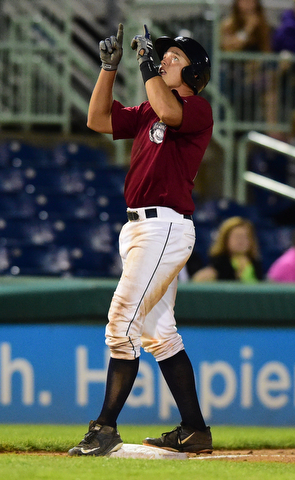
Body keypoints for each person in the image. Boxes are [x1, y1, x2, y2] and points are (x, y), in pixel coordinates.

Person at [68, 24, 213, 457]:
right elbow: (97, 118)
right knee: (159, 333)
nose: (166, 58)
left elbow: (171, 113)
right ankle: (194, 430)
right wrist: (107, 68)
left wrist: (147, 65)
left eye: (176, 58)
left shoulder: (197, 107)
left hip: (165, 226)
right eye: (164, 55)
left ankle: (105, 427)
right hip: (139, 228)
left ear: (194, 73)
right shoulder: (152, 109)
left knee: (121, 326)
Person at [219, 0, 276, 124]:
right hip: (233, 74)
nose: (248, 4)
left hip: (256, 72)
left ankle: (273, 134)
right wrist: (247, 29)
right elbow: (229, 48)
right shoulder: (228, 25)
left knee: (271, 94)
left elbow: (267, 53)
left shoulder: (262, 26)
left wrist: (257, 64)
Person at [192, 216, 263, 282]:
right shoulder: (218, 264)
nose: (241, 241)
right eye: (237, 236)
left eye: (245, 237)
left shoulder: (256, 263)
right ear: (225, 239)